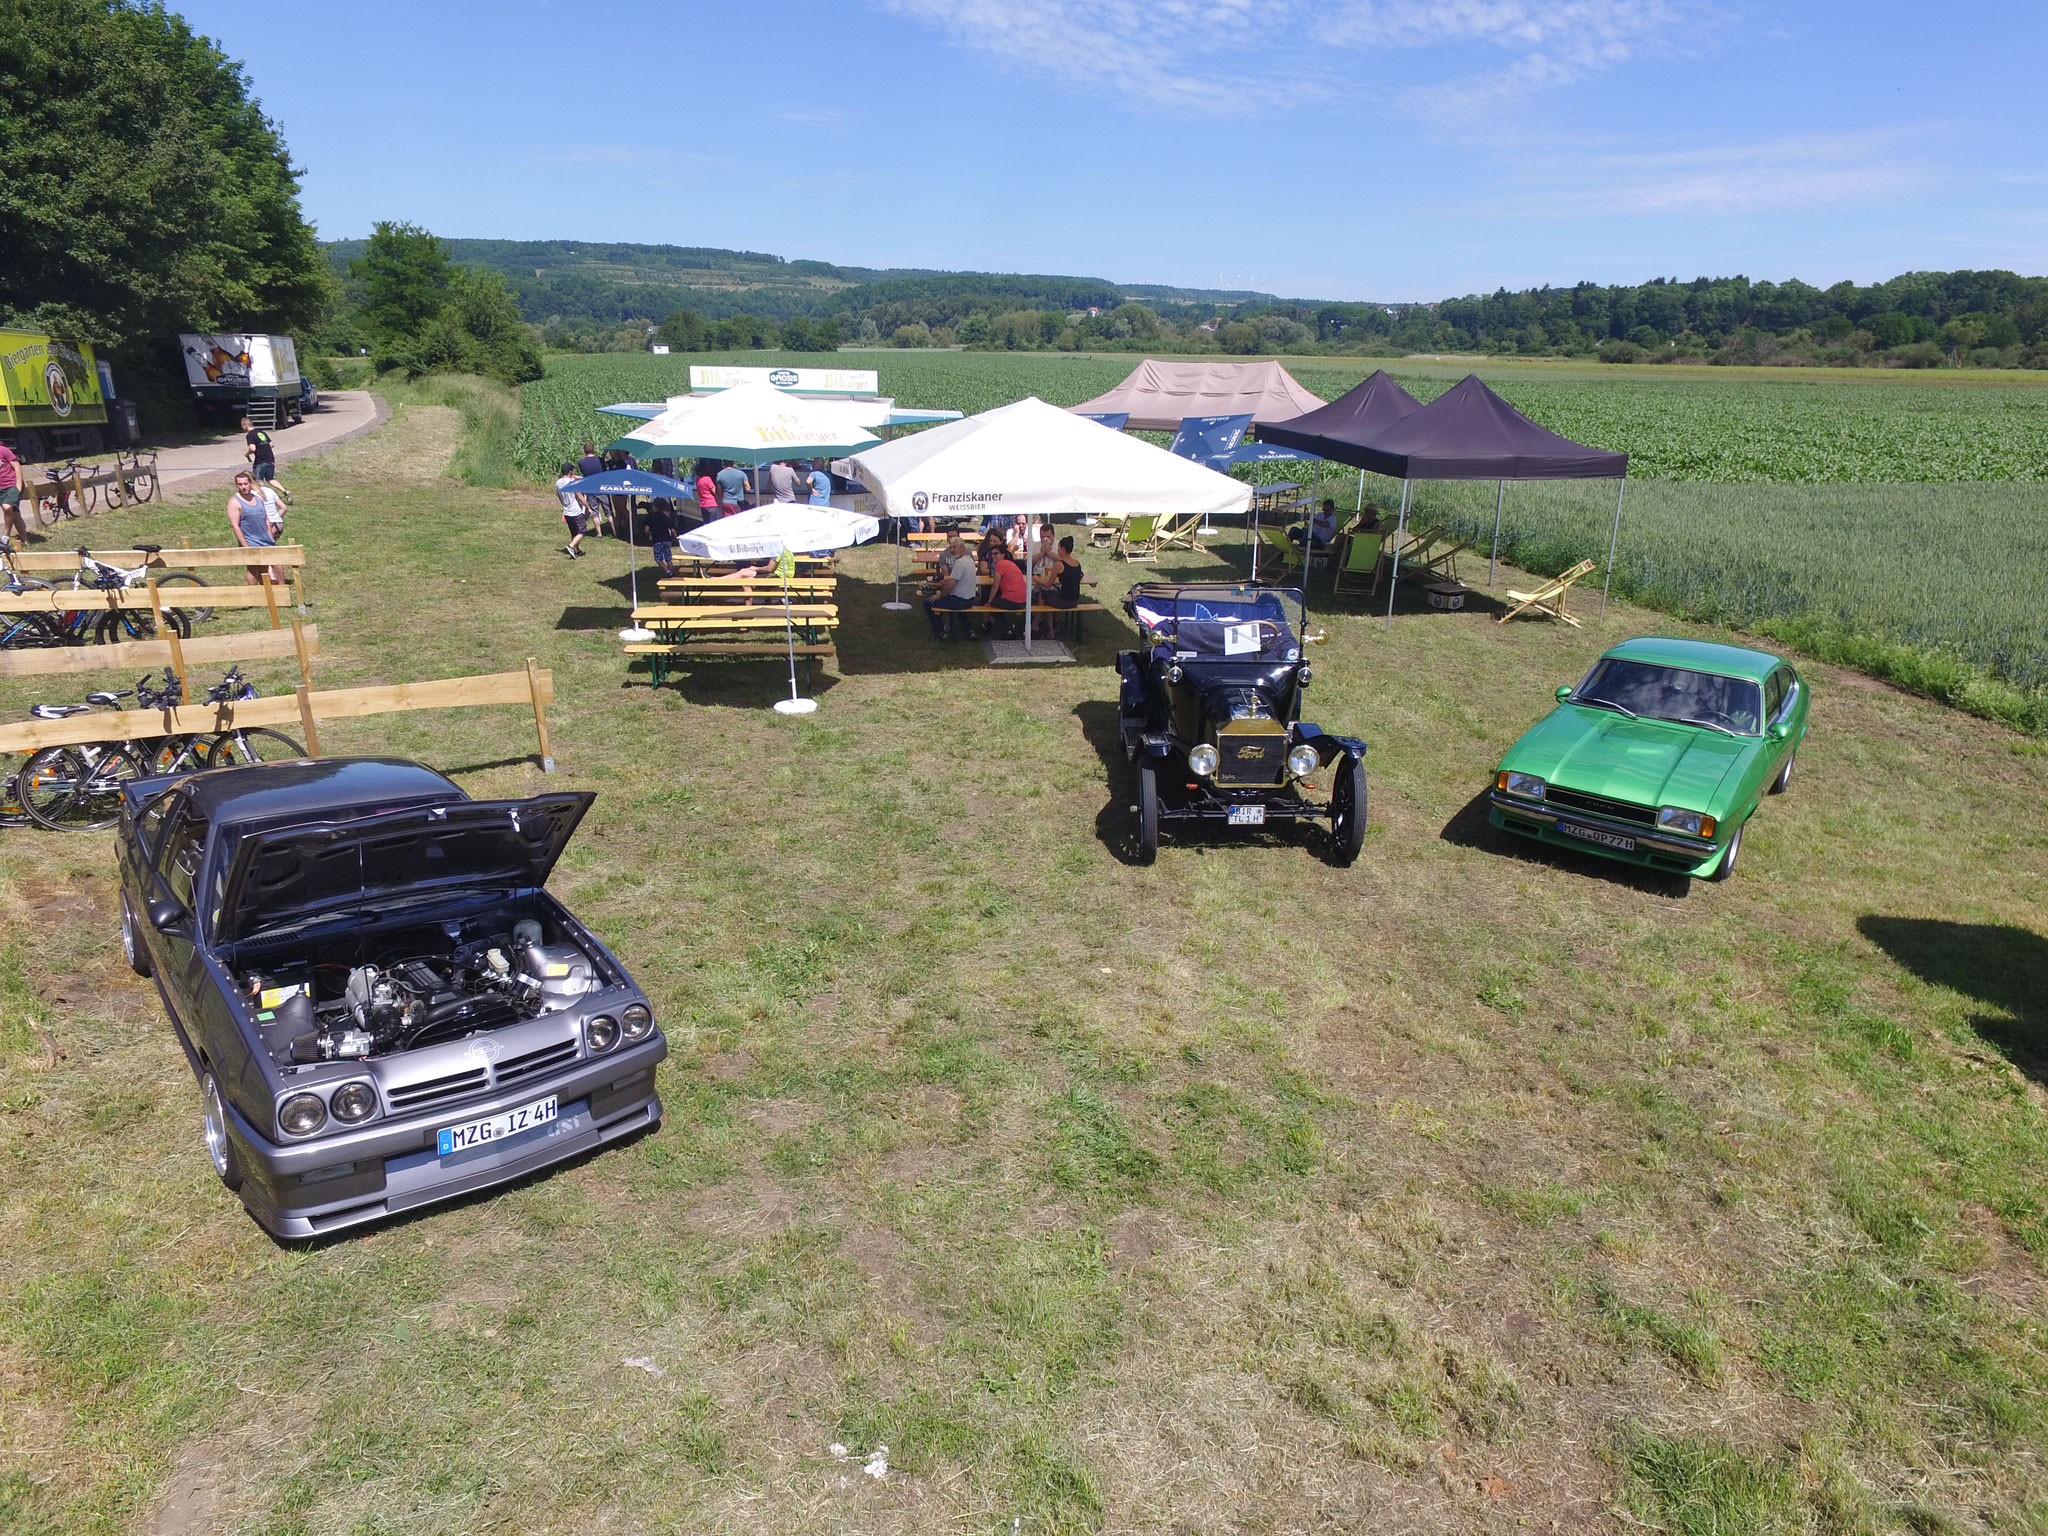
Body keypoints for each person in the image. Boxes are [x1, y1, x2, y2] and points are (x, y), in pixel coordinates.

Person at [227, 471, 286, 585]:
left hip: (265, 539)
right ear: (237, 485)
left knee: (266, 568)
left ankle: (267, 595)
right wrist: (245, 545)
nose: (244, 487)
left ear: (250, 483)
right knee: (253, 570)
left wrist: (270, 536)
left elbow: (266, 519)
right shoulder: (234, 502)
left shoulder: (257, 498)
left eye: (245, 483)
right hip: (250, 541)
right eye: (240, 484)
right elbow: (235, 526)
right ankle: (255, 598)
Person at [923, 536, 978, 640]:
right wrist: (949, 580)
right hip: (970, 599)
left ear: (962, 548)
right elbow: (959, 579)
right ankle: (970, 630)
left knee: (928, 603)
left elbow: (951, 585)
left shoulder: (960, 563)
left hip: (960, 601)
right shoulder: (970, 560)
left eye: (954, 547)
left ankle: (940, 632)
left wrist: (939, 595)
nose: (952, 550)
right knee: (957, 606)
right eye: (951, 547)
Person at [985, 542, 1027, 638]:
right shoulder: (1010, 564)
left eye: (996, 553)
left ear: (1003, 555)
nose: (993, 556)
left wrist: (989, 601)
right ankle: (1008, 627)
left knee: (991, 606)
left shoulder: (1000, 564)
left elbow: (995, 587)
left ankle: (1007, 628)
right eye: (992, 554)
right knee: (998, 602)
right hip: (1024, 600)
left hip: (1013, 600)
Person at [555, 460, 589, 558]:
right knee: (582, 531)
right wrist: (588, 507)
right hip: (575, 510)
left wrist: (564, 504)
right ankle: (571, 546)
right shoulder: (572, 482)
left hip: (567, 511)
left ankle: (577, 551)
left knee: (574, 532)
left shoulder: (558, 483)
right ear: (570, 471)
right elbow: (580, 496)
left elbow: (559, 496)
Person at [643, 498, 678, 577]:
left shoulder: (651, 517)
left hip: (657, 540)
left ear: (654, 507)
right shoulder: (666, 518)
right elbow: (672, 530)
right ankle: (672, 574)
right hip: (667, 540)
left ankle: (668, 571)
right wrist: (676, 538)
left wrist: (649, 534)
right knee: (668, 558)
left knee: (658, 559)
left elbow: (646, 529)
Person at [0, 439, 26, 542]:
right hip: (1, 488)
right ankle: (25, 539)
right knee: (14, 513)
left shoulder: (3, 450)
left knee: (8, 508)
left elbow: (17, 467)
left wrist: (18, 485)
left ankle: (6, 536)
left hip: (11, 485)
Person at [241, 415, 277, 483]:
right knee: (270, 479)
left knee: (258, 480)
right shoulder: (261, 433)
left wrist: (247, 453)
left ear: (245, 425)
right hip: (270, 459)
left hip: (260, 461)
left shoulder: (250, 435)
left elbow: (252, 448)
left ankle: (263, 493)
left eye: (242, 425)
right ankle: (285, 491)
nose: (242, 427)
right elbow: (271, 444)